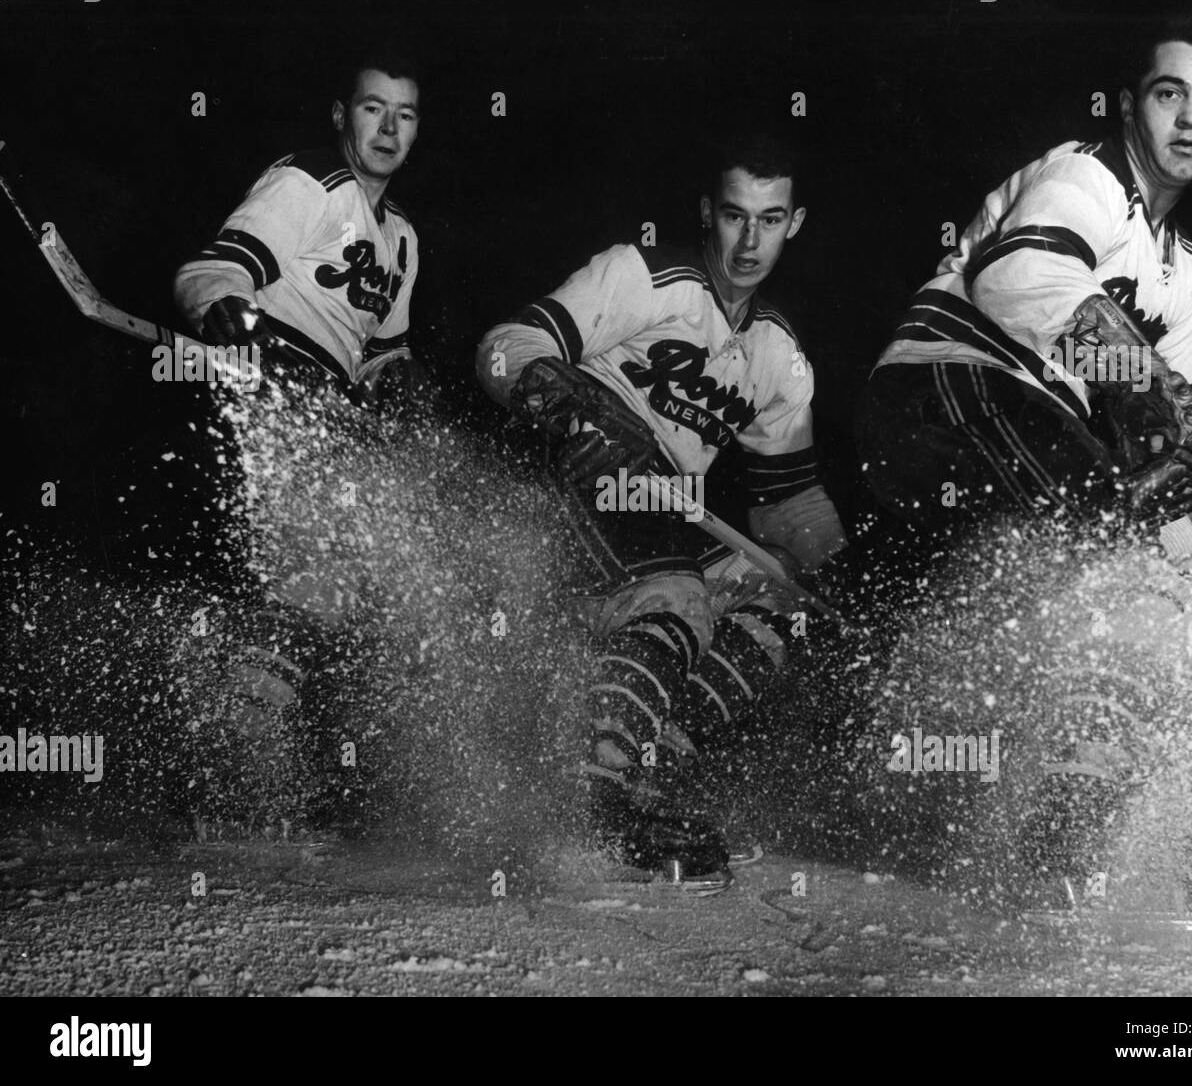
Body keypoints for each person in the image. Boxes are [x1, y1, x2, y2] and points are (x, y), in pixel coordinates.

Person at [858, 16, 1192, 903]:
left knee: (1160, 594)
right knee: (1122, 582)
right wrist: (1156, 398)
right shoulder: (1085, 175)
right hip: (945, 395)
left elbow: (1177, 446)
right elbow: (1014, 282)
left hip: (1020, 438)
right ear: (1133, 105)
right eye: (1170, 94)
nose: (1190, 119)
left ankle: (1055, 799)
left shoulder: (1186, 271)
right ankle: (1060, 812)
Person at [475, 134, 849, 890]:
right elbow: (500, 348)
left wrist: (840, 579)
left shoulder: (778, 354)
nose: (749, 241)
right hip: (579, 472)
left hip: (665, 505)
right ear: (708, 212)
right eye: (736, 216)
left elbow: (791, 509)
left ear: (794, 223)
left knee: (776, 607)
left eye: (770, 220)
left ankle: (645, 776)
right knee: (676, 598)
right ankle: (595, 796)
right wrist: (563, 396)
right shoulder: (643, 274)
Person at [173, 51, 425, 826]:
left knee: (360, 597)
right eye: (372, 108)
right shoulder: (309, 183)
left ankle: (285, 764)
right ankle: (240, 775)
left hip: (337, 416)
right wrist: (221, 304)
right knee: (307, 579)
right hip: (274, 386)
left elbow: (384, 353)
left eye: (405, 113)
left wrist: (406, 391)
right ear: (340, 115)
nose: (387, 127)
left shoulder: (403, 240)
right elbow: (214, 267)